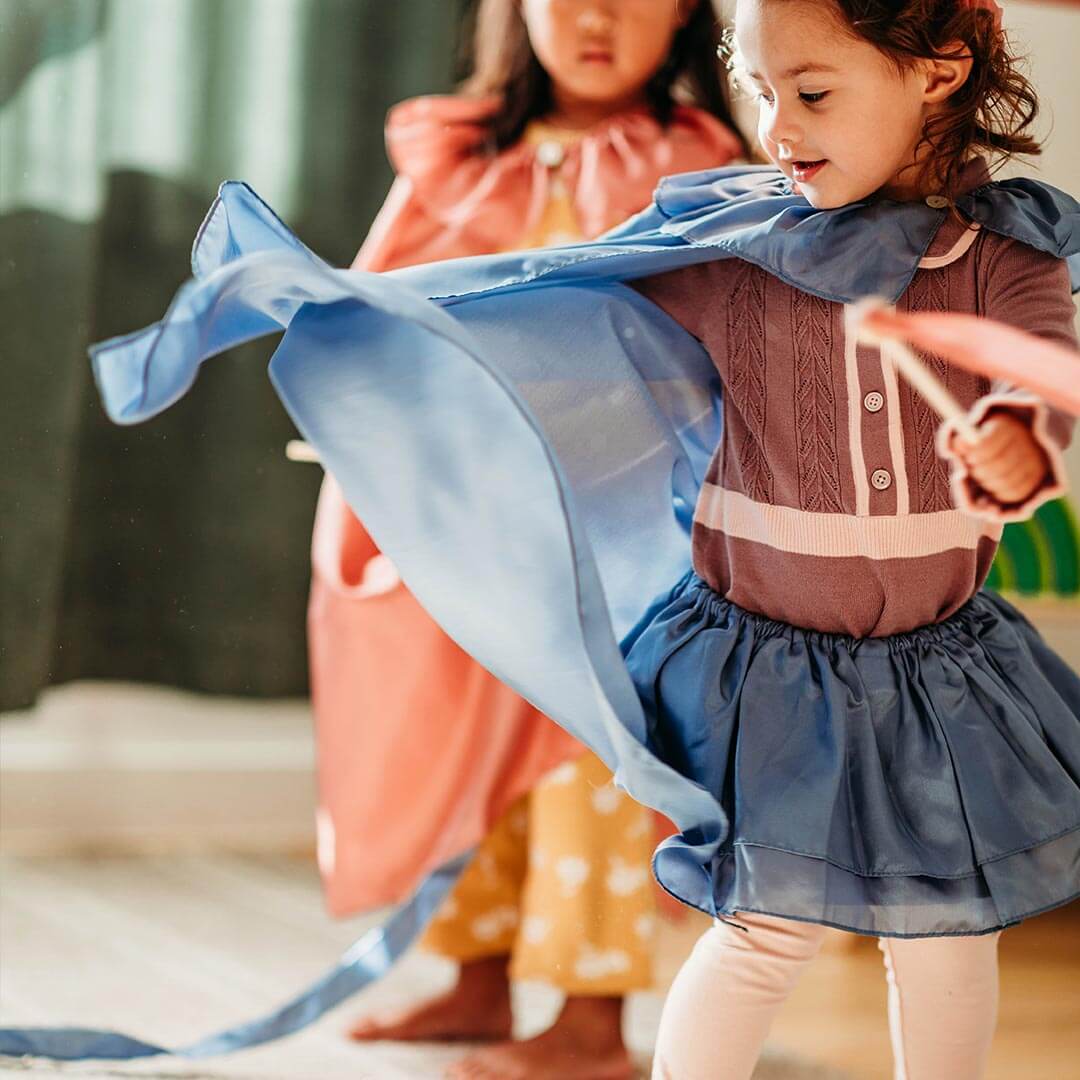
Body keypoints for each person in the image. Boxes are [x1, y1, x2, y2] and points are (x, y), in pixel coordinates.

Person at [89, 0, 1080, 1075]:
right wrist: (333, 308)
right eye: (759, 92)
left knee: (947, 935)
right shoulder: (734, 248)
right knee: (763, 929)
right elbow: (537, 299)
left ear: (940, 70)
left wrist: (1022, 440)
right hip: (776, 676)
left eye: (814, 93)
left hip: (935, 675)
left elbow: (1039, 374)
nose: (779, 128)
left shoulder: (1004, 255)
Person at [308, 1, 743, 1076]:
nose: (596, 15)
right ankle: (476, 978)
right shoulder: (458, 158)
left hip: (612, 533)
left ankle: (595, 1020)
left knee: (589, 759)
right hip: (465, 527)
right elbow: (378, 307)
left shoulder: (699, 164)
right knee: (460, 751)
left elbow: (713, 338)